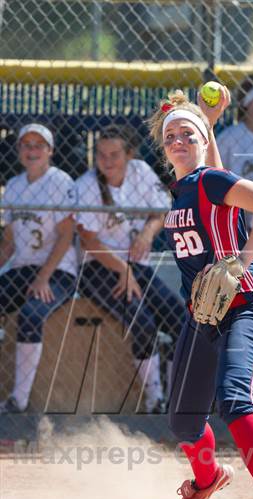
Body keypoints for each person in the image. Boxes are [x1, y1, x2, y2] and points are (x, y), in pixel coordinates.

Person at [149, 90, 253, 499]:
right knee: (183, 420)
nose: (179, 140)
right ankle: (208, 480)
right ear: (164, 149)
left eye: (189, 133)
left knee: (235, 400)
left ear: (200, 142)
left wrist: (242, 261)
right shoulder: (184, 189)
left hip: (246, 308)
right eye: (171, 136)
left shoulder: (206, 183)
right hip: (202, 317)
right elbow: (212, 175)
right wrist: (209, 122)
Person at [76, 125, 184, 413]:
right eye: (101, 155)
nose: (107, 161)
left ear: (129, 155)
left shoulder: (140, 172)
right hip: (98, 268)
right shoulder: (87, 185)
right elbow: (88, 239)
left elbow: (161, 210)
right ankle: (155, 400)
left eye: (114, 154)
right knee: (144, 324)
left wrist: (147, 234)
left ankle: (178, 399)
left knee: (182, 322)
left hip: (137, 266)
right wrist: (123, 270)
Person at [0, 124, 77, 413]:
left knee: (32, 315)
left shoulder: (61, 182)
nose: (32, 150)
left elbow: (66, 235)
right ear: (19, 150)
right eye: (26, 145)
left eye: (38, 145)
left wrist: (44, 277)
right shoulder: (15, 186)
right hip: (23, 267)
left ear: (50, 151)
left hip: (58, 271)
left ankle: (18, 401)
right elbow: (8, 244)